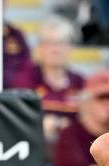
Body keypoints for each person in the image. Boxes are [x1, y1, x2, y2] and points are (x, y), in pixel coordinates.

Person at [12, 15, 85, 153]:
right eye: (49, 43)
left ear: (70, 47)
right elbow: (16, 121)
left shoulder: (80, 82)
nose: (55, 49)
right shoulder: (24, 80)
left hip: (73, 152)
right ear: (39, 47)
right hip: (33, 150)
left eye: (61, 43)